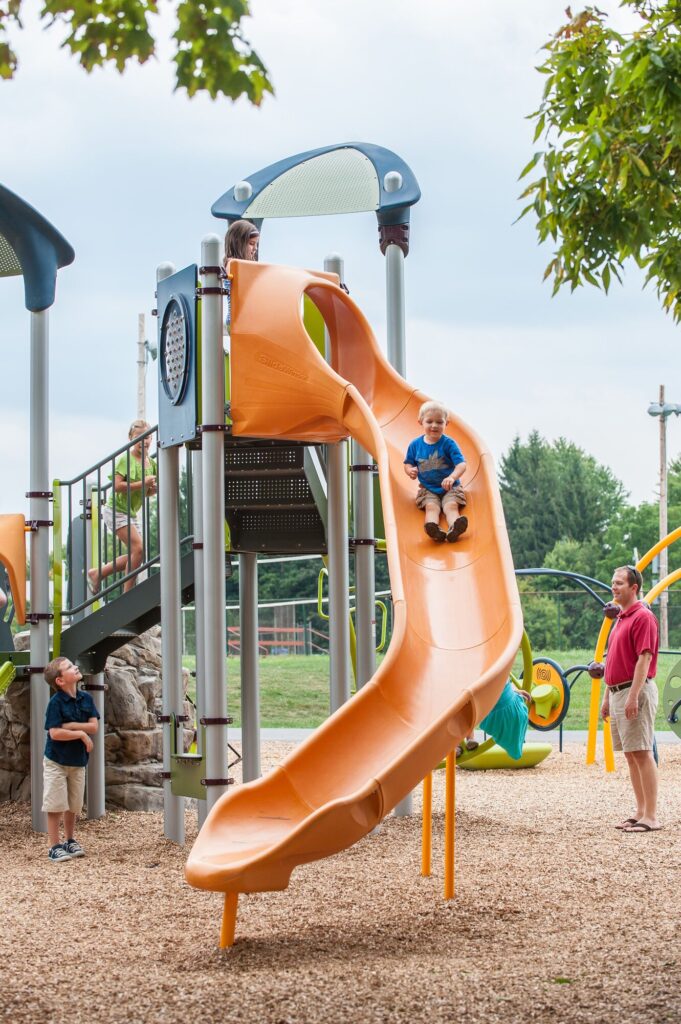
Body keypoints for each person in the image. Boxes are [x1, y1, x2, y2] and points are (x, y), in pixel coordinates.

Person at [601, 565, 662, 833]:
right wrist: (607, 696)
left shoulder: (642, 617)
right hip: (618, 692)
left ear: (633, 587)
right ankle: (639, 811)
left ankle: (652, 816)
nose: (613, 587)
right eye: (613, 583)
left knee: (642, 752)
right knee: (630, 754)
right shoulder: (621, 619)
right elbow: (613, 660)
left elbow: (644, 658)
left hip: (633, 691)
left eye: (619, 583)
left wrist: (633, 696)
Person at [88, 420, 157, 595]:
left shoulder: (151, 462)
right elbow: (117, 486)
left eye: (147, 437)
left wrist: (152, 490)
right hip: (116, 510)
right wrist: (143, 483)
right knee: (138, 549)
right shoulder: (126, 459)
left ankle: (98, 573)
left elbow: (146, 492)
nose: (145, 441)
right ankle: (128, 593)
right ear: (131, 438)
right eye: (139, 437)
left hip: (131, 513)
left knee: (138, 555)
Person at [42, 657, 99, 862]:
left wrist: (69, 726)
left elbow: (94, 727)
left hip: (78, 761)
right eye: (69, 667)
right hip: (56, 761)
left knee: (73, 803)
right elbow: (55, 734)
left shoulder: (86, 699)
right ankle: (54, 845)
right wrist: (81, 734)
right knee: (56, 803)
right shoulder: (55, 703)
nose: (75, 666)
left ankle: (70, 839)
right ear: (60, 680)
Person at [403, 400, 468, 542]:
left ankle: (454, 528)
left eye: (439, 422)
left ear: (446, 423)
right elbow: (408, 463)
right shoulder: (415, 445)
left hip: (450, 487)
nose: (434, 425)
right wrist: (410, 471)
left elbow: (461, 464)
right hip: (428, 489)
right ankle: (433, 529)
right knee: (431, 507)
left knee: (451, 506)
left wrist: (452, 477)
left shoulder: (449, 444)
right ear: (421, 422)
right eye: (429, 421)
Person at [458, 681, 531, 759]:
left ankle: (465, 741)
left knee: (467, 709)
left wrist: (512, 690)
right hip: (495, 697)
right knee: (466, 709)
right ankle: (461, 743)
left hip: (496, 694)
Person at [222, 219, 260, 337]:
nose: (255, 249)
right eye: (251, 244)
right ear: (238, 243)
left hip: (243, 320)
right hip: (238, 321)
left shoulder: (242, 266)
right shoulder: (232, 264)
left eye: (256, 244)